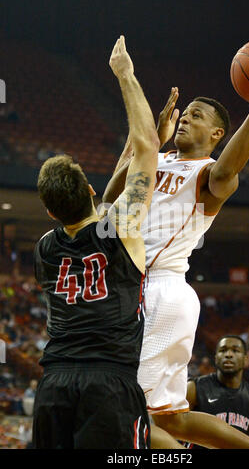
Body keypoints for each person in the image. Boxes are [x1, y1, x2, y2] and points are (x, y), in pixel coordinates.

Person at [102, 47, 249, 448]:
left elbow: (230, 168)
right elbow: (110, 199)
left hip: (158, 290)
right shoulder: (158, 158)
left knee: (128, 415)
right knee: (173, 420)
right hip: (145, 293)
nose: (185, 118)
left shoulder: (208, 175)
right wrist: (148, 139)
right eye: (184, 114)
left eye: (197, 117)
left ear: (217, 134)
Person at [32, 35, 160, 449]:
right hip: (109, 383)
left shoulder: (45, 249)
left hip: (54, 384)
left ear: (50, 213)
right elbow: (149, 148)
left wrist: (135, 149)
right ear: (89, 188)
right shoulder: (119, 227)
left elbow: (105, 205)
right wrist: (126, 75)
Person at [184, 335, 249, 448]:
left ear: (245, 359)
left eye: (235, 350)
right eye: (223, 350)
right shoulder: (194, 388)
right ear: (216, 358)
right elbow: (174, 431)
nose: (228, 354)